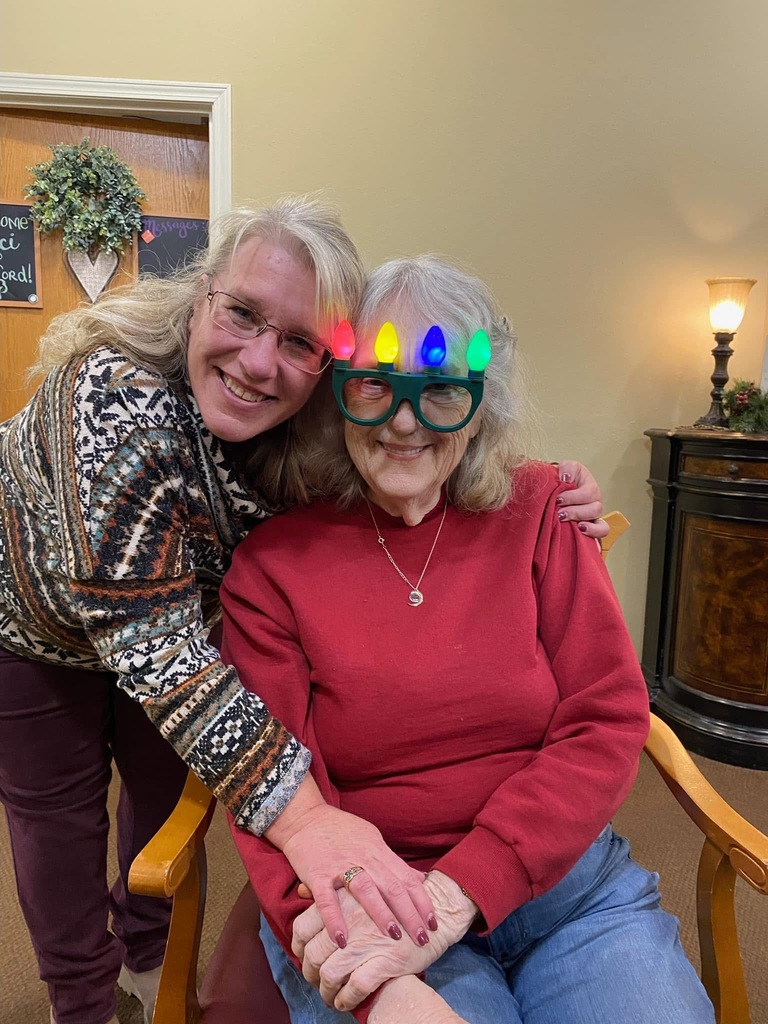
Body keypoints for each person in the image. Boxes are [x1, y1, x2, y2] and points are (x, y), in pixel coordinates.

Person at [0, 198, 603, 1024]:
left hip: (179, 621)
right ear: (202, 294)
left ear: (328, 362)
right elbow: (159, 657)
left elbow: (428, 420)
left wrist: (544, 482)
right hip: (34, 624)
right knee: (57, 817)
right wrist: (311, 820)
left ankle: (146, 958)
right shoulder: (114, 396)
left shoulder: (319, 415)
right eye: (244, 314)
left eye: (298, 342)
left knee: (159, 788)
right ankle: (81, 1005)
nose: (259, 361)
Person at [221, 255, 716, 1024]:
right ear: (336, 395)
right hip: (381, 905)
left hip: (566, 893)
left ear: (483, 406)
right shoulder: (272, 569)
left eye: (443, 389)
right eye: (375, 385)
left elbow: (606, 716)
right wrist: (370, 976)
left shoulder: (545, 511)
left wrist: (463, 892)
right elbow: (269, 786)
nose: (405, 422)